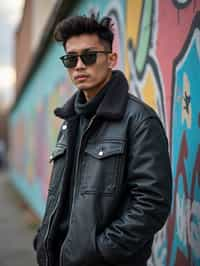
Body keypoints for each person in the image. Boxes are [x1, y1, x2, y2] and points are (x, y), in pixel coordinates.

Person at [33, 14, 172, 266]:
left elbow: (152, 204)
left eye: (89, 56)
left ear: (111, 59)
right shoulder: (70, 121)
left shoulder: (138, 121)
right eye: (70, 58)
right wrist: (44, 237)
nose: (78, 65)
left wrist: (101, 251)